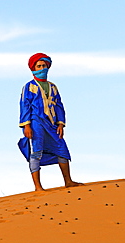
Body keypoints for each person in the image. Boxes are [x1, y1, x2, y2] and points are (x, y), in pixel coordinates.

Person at [18, 52, 83, 191]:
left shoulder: (53, 87)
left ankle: (68, 181)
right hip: (36, 123)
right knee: (36, 151)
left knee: (61, 148)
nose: (42, 68)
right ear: (33, 69)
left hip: (52, 123)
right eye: (39, 66)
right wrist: (26, 126)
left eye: (44, 65)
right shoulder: (29, 87)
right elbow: (24, 106)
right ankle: (38, 187)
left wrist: (60, 123)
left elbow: (59, 105)